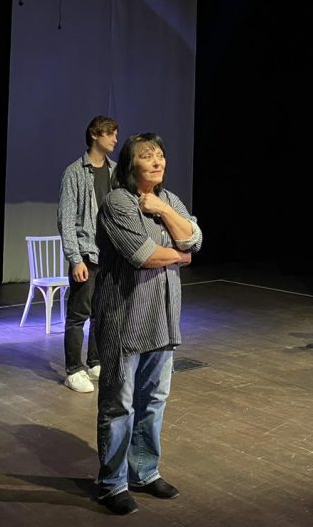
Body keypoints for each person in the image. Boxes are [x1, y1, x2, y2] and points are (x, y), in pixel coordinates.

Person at [92, 132, 202, 515]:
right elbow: (143, 255)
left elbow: (195, 239)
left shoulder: (168, 199)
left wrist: (163, 210)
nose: (157, 162)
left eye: (160, 155)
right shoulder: (117, 202)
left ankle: (144, 471)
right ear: (130, 164)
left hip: (163, 319)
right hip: (125, 319)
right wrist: (179, 255)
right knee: (119, 405)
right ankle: (112, 483)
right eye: (147, 156)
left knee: (153, 401)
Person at [57, 115, 119, 393]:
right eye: (110, 133)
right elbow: (66, 219)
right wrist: (75, 259)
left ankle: (95, 361)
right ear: (95, 134)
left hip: (110, 255)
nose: (115, 139)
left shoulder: (115, 171)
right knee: (78, 314)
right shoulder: (75, 172)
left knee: (102, 312)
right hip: (86, 254)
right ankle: (73, 369)